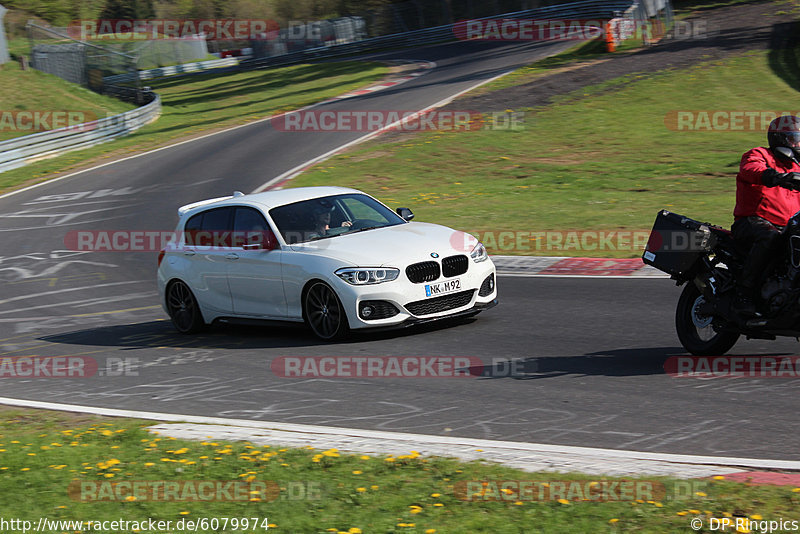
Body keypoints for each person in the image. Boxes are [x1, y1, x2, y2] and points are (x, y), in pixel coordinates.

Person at [732, 115, 800, 316]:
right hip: (753, 222)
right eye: (794, 138)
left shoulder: (797, 166)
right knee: (770, 237)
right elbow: (750, 169)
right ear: (780, 139)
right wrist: (775, 177)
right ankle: (743, 294)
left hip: (788, 227)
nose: (798, 143)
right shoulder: (760, 154)